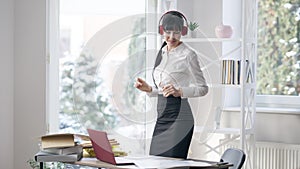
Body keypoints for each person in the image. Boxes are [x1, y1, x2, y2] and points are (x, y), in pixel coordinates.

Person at [134, 10, 208, 159]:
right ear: (162, 31)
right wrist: (149, 89)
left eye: (177, 32)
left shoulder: (188, 54)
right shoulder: (161, 52)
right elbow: (164, 90)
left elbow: (203, 88)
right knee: (155, 162)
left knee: (172, 165)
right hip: (162, 116)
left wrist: (180, 91)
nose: (172, 37)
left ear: (183, 32)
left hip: (180, 118)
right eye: (168, 32)